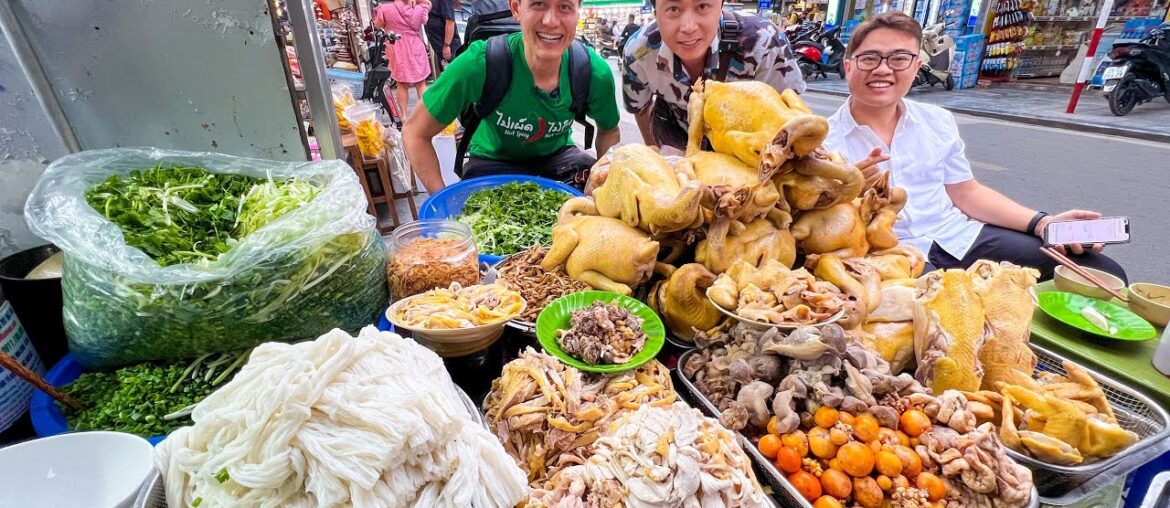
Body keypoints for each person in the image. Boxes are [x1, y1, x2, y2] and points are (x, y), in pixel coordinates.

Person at [824, 12, 1126, 281]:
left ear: (916, 66)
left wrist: (1043, 223)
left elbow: (966, 192)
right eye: (870, 58)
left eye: (899, 58)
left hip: (958, 237)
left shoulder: (937, 121)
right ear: (849, 67)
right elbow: (807, 223)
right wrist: (847, 195)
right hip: (887, 256)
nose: (883, 70)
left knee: (1101, 273)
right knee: (944, 321)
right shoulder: (821, 141)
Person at [402, 0, 622, 193]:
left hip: (559, 159)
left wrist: (601, 187)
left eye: (564, 6)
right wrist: (443, 205)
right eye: (538, 4)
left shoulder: (593, 72)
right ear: (516, 8)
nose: (551, 21)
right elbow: (415, 133)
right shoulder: (479, 64)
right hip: (492, 161)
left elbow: (609, 130)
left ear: (577, 12)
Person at [621, 0, 807, 150]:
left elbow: (792, 117)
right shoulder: (639, 53)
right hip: (676, 144)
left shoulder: (764, 43)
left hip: (749, 149)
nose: (688, 27)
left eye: (702, 6)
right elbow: (641, 108)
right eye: (673, 9)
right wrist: (658, 159)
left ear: (720, 6)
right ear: (655, 13)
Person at [374, 0, 433, 118]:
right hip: (416, 46)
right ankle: (427, 115)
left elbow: (378, 25)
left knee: (402, 84)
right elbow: (428, 4)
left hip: (397, 46)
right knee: (421, 84)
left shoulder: (385, 9)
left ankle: (404, 116)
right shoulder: (420, 8)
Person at [425, 0, 461, 74]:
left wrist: (446, 45)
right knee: (446, 75)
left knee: (454, 75)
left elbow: (450, 22)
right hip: (439, 46)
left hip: (449, 46)